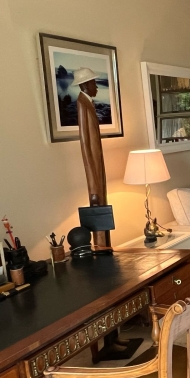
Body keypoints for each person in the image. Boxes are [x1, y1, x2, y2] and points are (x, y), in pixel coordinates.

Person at [71, 67, 108, 246]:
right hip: (93, 165)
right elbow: (85, 143)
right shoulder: (82, 103)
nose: (97, 87)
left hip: (97, 163)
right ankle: (101, 246)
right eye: (94, 83)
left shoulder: (88, 102)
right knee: (99, 207)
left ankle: (104, 245)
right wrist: (93, 183)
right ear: (85, 85)